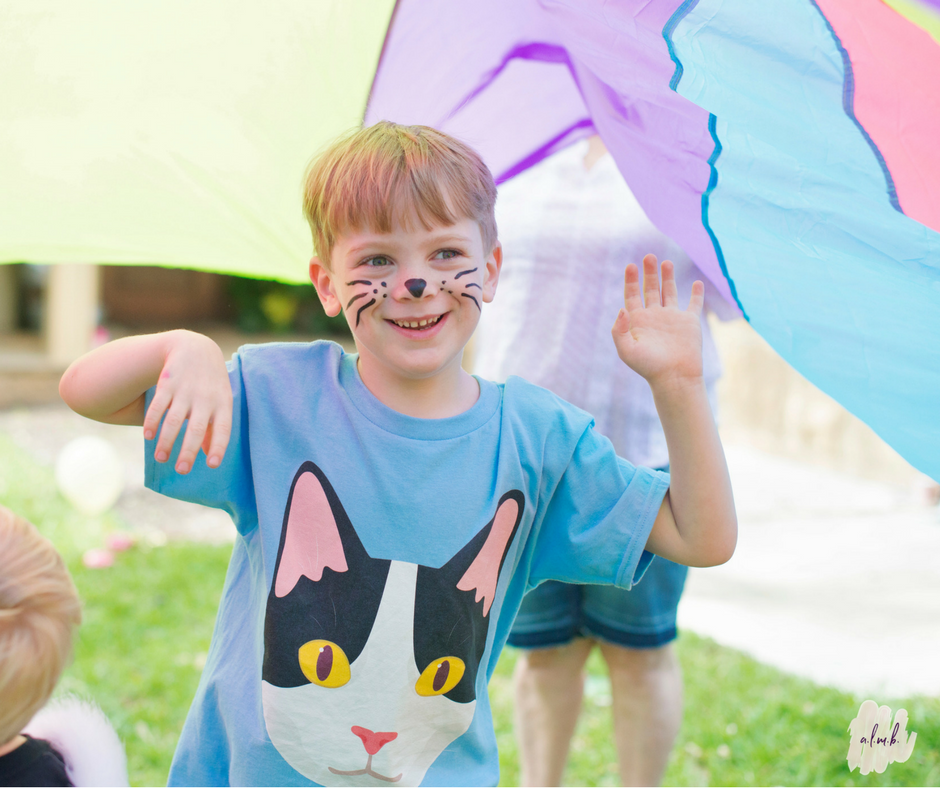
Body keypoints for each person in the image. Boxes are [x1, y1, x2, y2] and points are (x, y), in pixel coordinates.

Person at [58, 121, 737, 787]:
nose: (417, 284)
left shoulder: (539, 440)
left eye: (445, 254)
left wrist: (677, 387)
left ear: (492, 268)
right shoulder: (277, 397)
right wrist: (184, 348)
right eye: (378, 260)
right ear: (326, 284)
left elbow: (701, 536)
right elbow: (86, 392)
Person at [473, 135, 739, 786]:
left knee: (640, 652)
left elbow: (737, 294)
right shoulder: (519, 146)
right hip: (526, 455)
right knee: (541, 655)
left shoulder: (691, 152)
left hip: (644, 451)